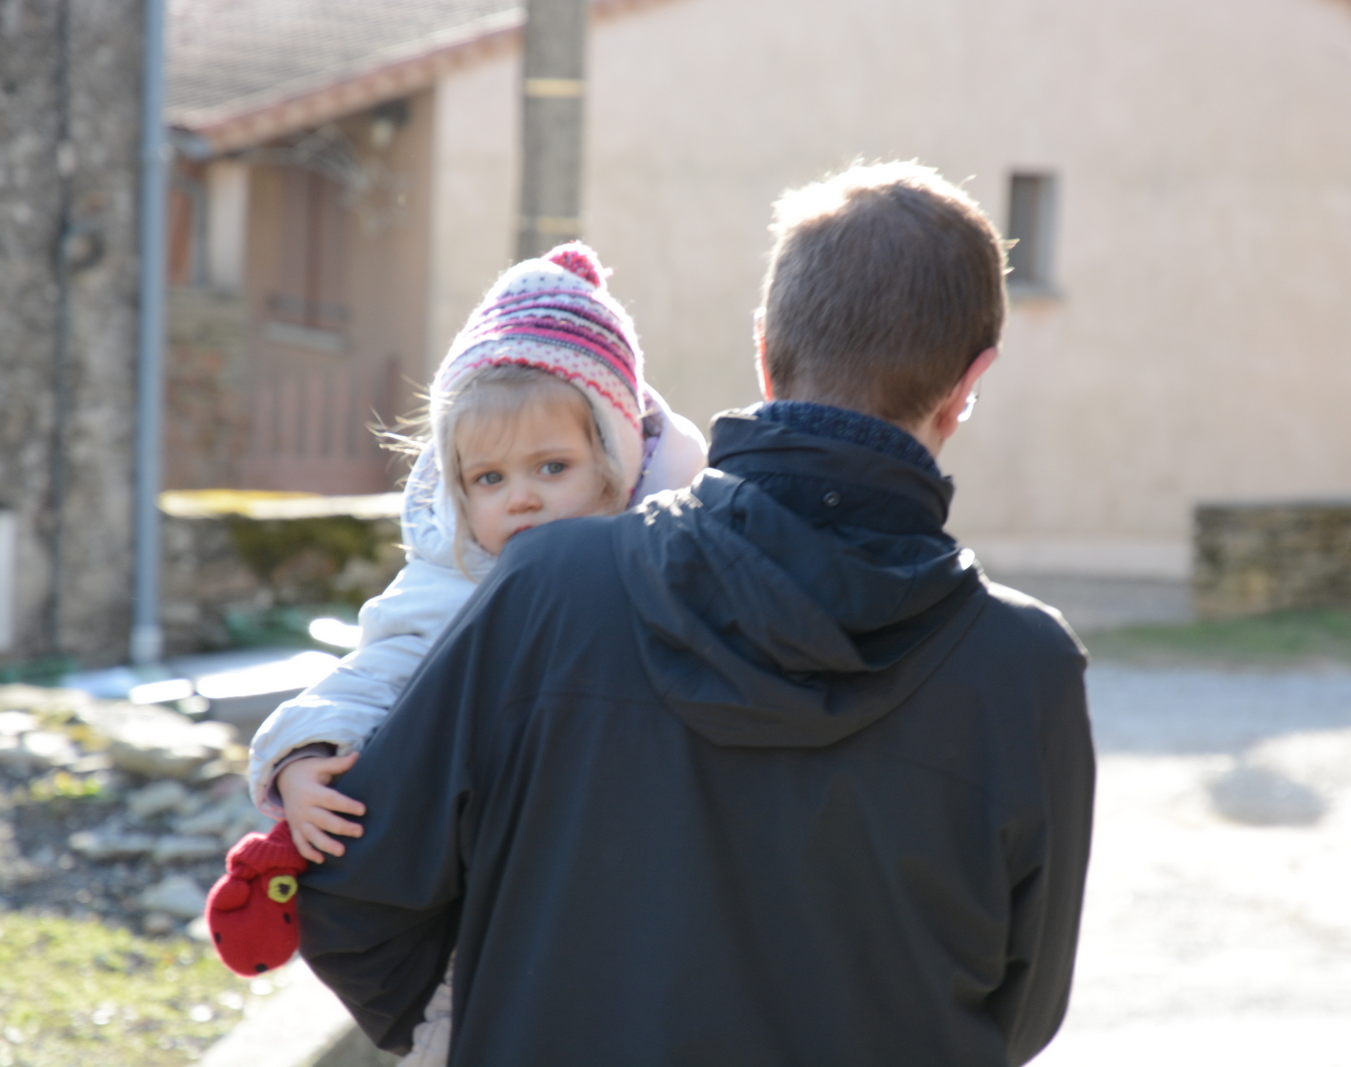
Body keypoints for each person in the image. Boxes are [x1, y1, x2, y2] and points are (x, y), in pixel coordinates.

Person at [299, 161, 1096, 1067]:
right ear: (969, 382)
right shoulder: (1026, 669)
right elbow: (1020, 1013)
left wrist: (491, 1021)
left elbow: (353, 892)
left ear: (765, 351)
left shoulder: (551, 585)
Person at [242, 242, 708, 1063]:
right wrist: (301, 760)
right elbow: (370, 674)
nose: (520, 495)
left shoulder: (670, 569)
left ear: (616, 461)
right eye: (489, 478)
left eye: (551, 466)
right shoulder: (449, 582)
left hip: (636, 893)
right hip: (488, 907)